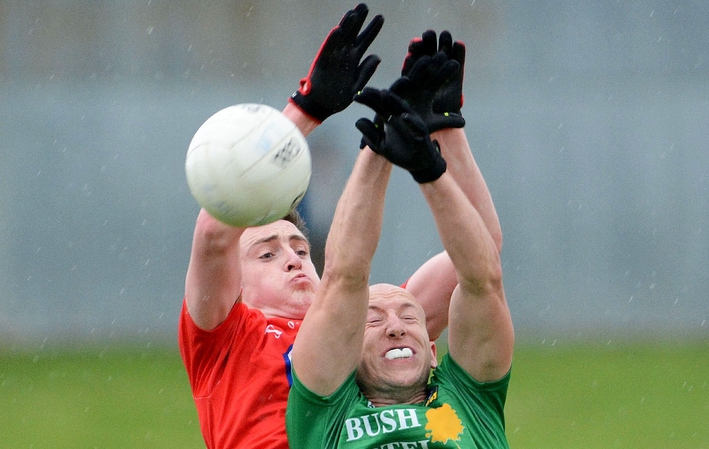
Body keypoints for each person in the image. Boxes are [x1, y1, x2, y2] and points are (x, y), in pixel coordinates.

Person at [178, 3, 497, 446]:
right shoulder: (226, 338)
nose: (292, 258)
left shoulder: (367, 321)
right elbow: (215, 232)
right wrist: (307, 109)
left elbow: (481, 256)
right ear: (235, 285)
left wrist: (444, 130)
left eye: (300, 249)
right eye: (267, 253)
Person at [285, 57, 514, 447]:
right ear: (346, 359)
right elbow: (344, 276)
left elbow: (482, 278)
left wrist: (431, 169)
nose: (396, 326)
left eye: (411, 316)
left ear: (433, 351)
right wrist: (377, 149)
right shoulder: (326, 415)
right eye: (372, 322)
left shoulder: (468, 401)